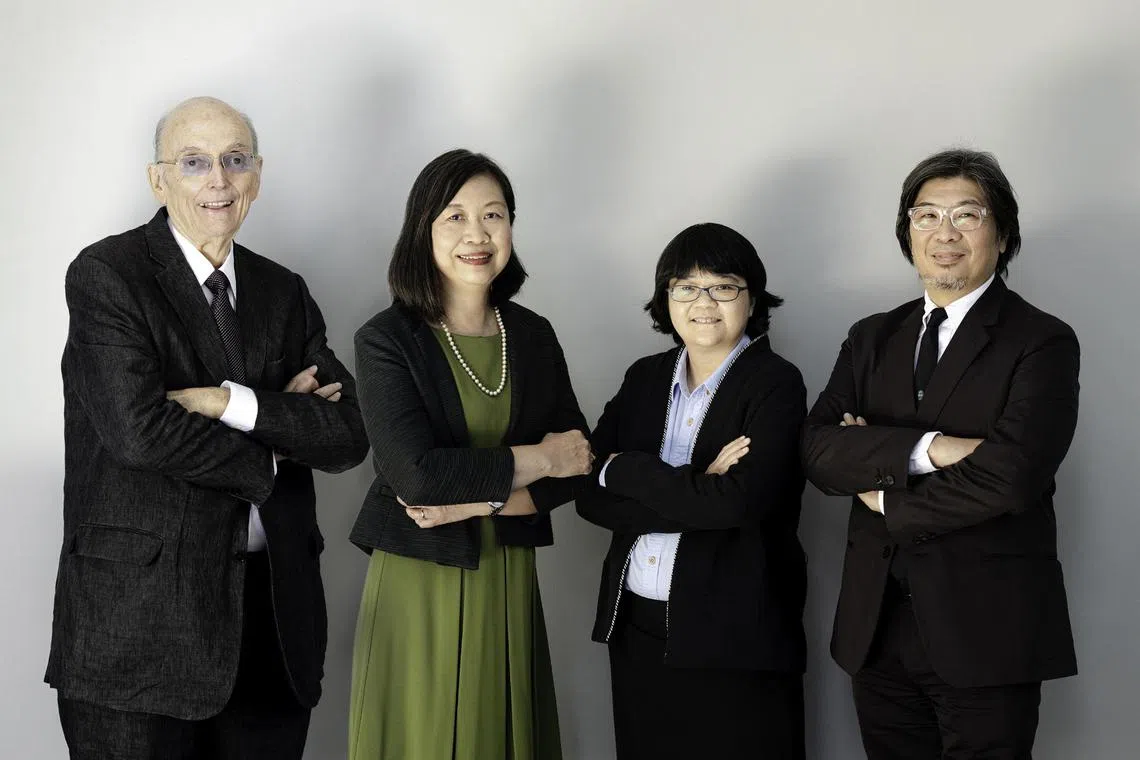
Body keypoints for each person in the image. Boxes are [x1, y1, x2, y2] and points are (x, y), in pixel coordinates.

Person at [46, 96, 369, 759]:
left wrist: (229, 404)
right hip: (140, 631)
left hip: (272, 627)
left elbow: (347, 434)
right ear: (157, 179)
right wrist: (274, 451)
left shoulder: (285, 292)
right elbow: (139, 431)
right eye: (194, 162)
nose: (218, 180)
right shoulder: (108, 276)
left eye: (234, 160)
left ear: (257, 173)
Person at [801, 148, 1080, 759]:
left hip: (986, 629)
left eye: (966, 215)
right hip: (874, 628)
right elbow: (818, 449)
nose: (943, 234)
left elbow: (1011, 477)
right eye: (925, 216)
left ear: (1002, 234)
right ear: (907, 232)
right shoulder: (872, 336)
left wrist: (881, 490)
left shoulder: (1042, 340)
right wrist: (934, 448)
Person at [348, 148, 591, 759]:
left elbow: (580, 463)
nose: (477, 235)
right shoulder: (386, 339)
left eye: (494, 216)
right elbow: (417, 477)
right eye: (454, 217)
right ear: (422, 231)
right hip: (417, 579)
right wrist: (536, 459)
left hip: (505, 575)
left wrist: (476, 503)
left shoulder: (532, 334)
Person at [577, 222, 808, 759]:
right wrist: (698, 485)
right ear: (667, 299)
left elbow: (741, 503)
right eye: (686, 287)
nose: (704, 302)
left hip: (735, 631)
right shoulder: (644, 378)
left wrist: (627, 469)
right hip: (634, 622)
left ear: (751, 299)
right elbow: (587, 493)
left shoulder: (775, 382)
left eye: (724, 286)